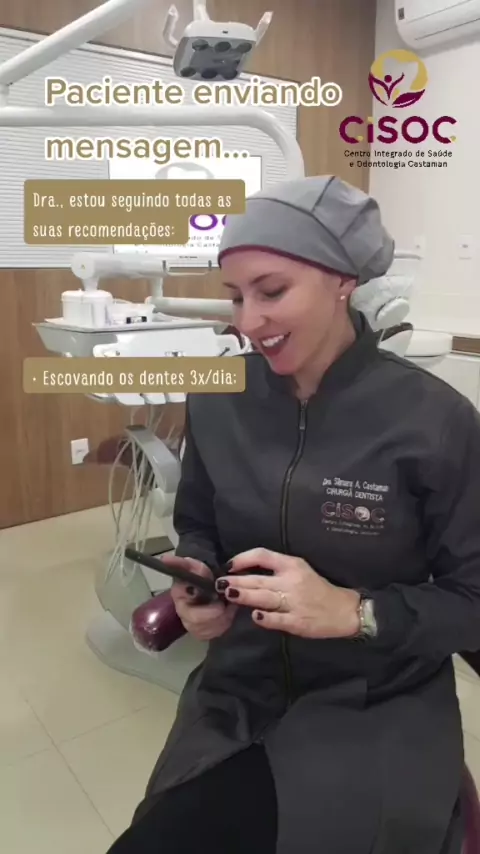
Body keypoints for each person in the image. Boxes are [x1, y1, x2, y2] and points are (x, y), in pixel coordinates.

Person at [107, 175, 480, 854]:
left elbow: (473, 599)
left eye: (272, 291)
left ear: (342, 281)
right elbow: (199, 521)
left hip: (376, 703)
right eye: (235, 296)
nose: (248, 322)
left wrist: (355, 612)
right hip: (236, 697)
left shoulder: (435, 423)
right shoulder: (218, 399)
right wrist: (196, 575)